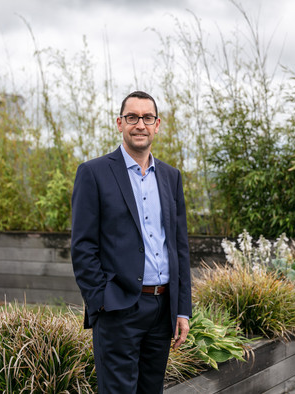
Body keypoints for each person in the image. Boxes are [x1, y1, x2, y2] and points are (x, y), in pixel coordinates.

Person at [71, 90, 192, 393]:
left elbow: (178, 246)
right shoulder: (93, 173)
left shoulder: (170, 176)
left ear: (157, 124)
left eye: (147, 117)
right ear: (119, 123)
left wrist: (182, 309)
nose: (140, 124)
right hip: (118, 309)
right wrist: (101, 301)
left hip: (162, 307)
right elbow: (82, 247)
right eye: (132, 117)